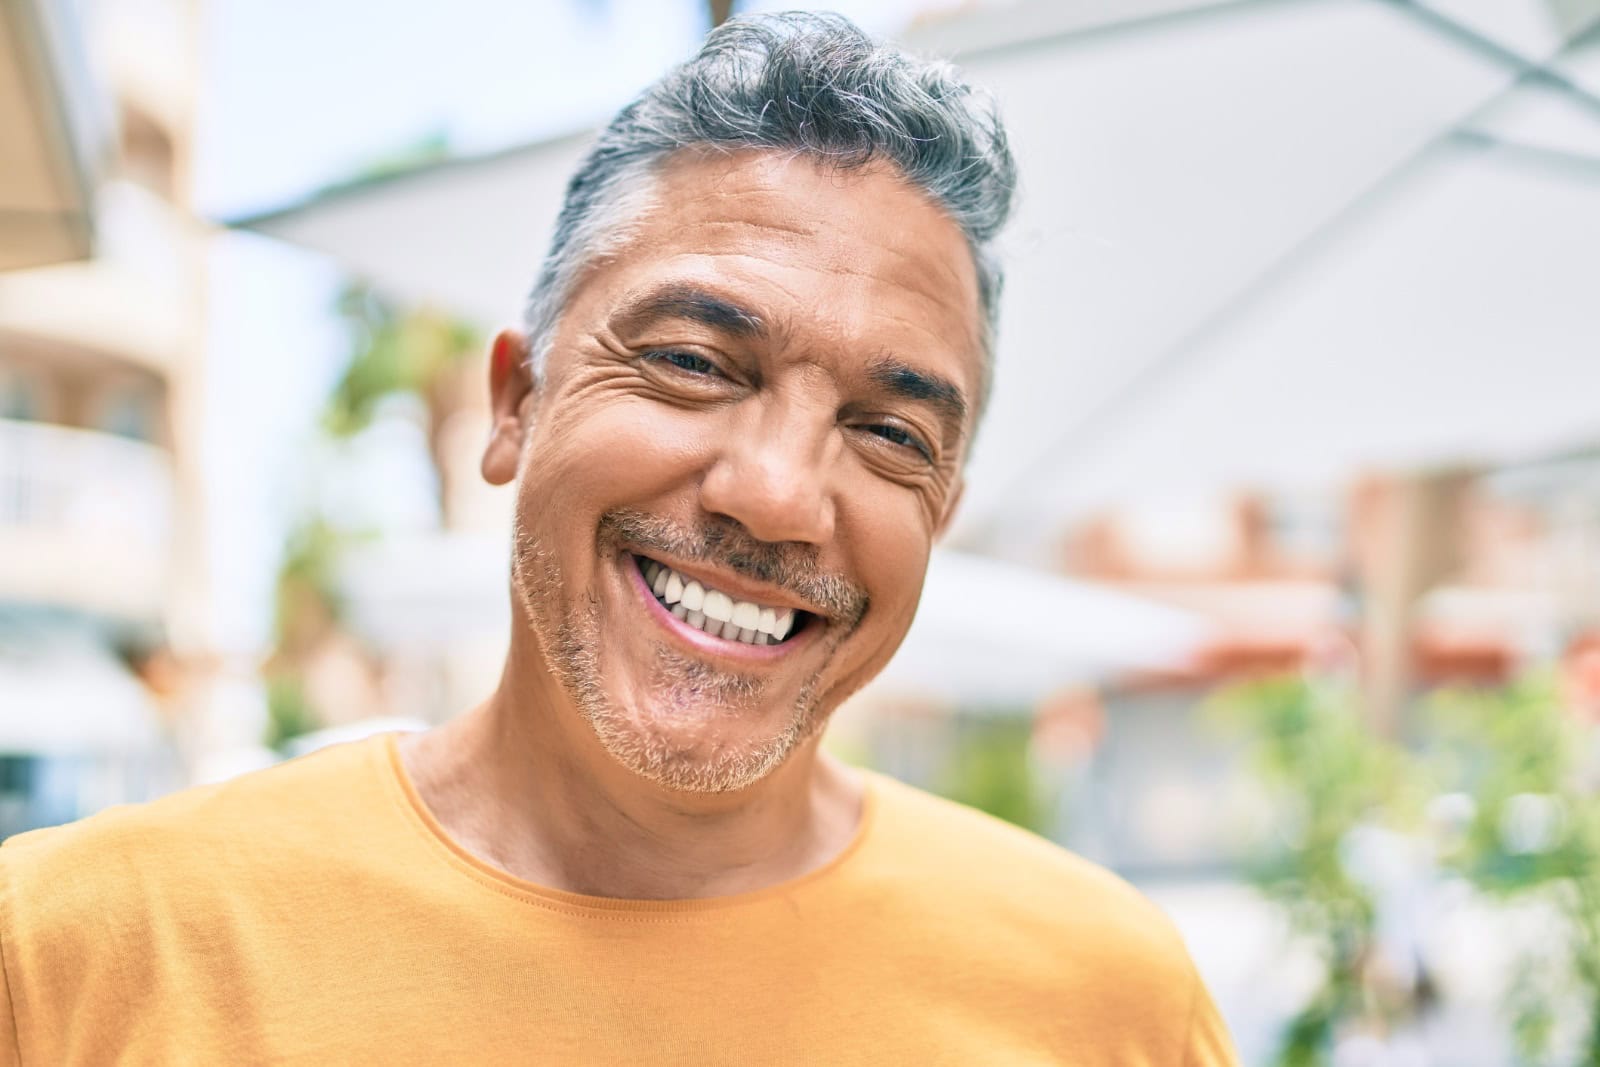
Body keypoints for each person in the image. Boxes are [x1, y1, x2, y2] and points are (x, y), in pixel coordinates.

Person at [0, 13, 1238, 1064]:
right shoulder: (80, 955)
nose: (777, 495)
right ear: (515, 403)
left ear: (942, 512)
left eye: (889, 432)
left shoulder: (1105, 1001)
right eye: (695, 361)